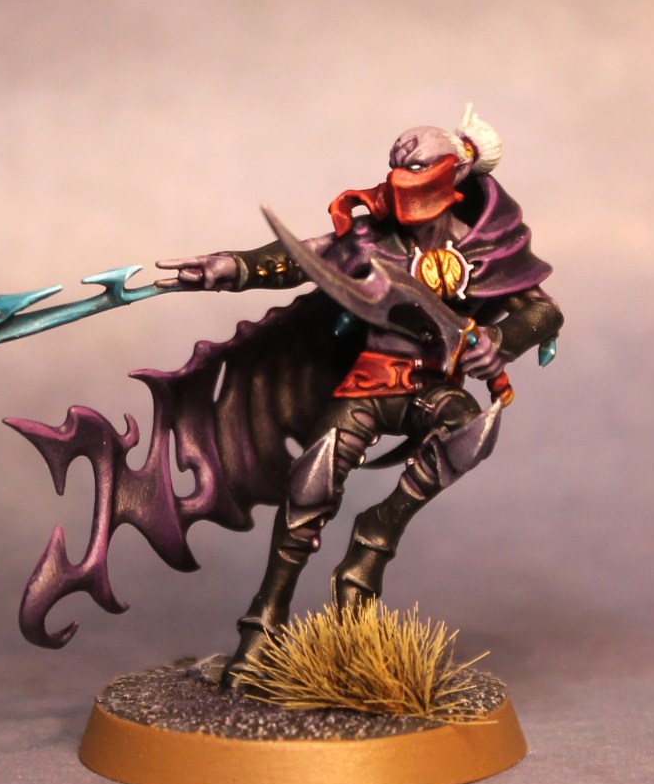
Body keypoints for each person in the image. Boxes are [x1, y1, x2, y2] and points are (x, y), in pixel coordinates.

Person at [156, 106, 563, 686]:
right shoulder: (370, 236)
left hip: (432, 389)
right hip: (369, 384)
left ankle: (377, 533)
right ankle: (263, 626)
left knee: (469, 430)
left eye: (416, 167)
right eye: (397, 164)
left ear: (455, 173)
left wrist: (498, 341)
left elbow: (543, 310)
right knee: (311, 484)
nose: (400, 177)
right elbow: (302, 256)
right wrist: (234, 267)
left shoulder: (485, 248)